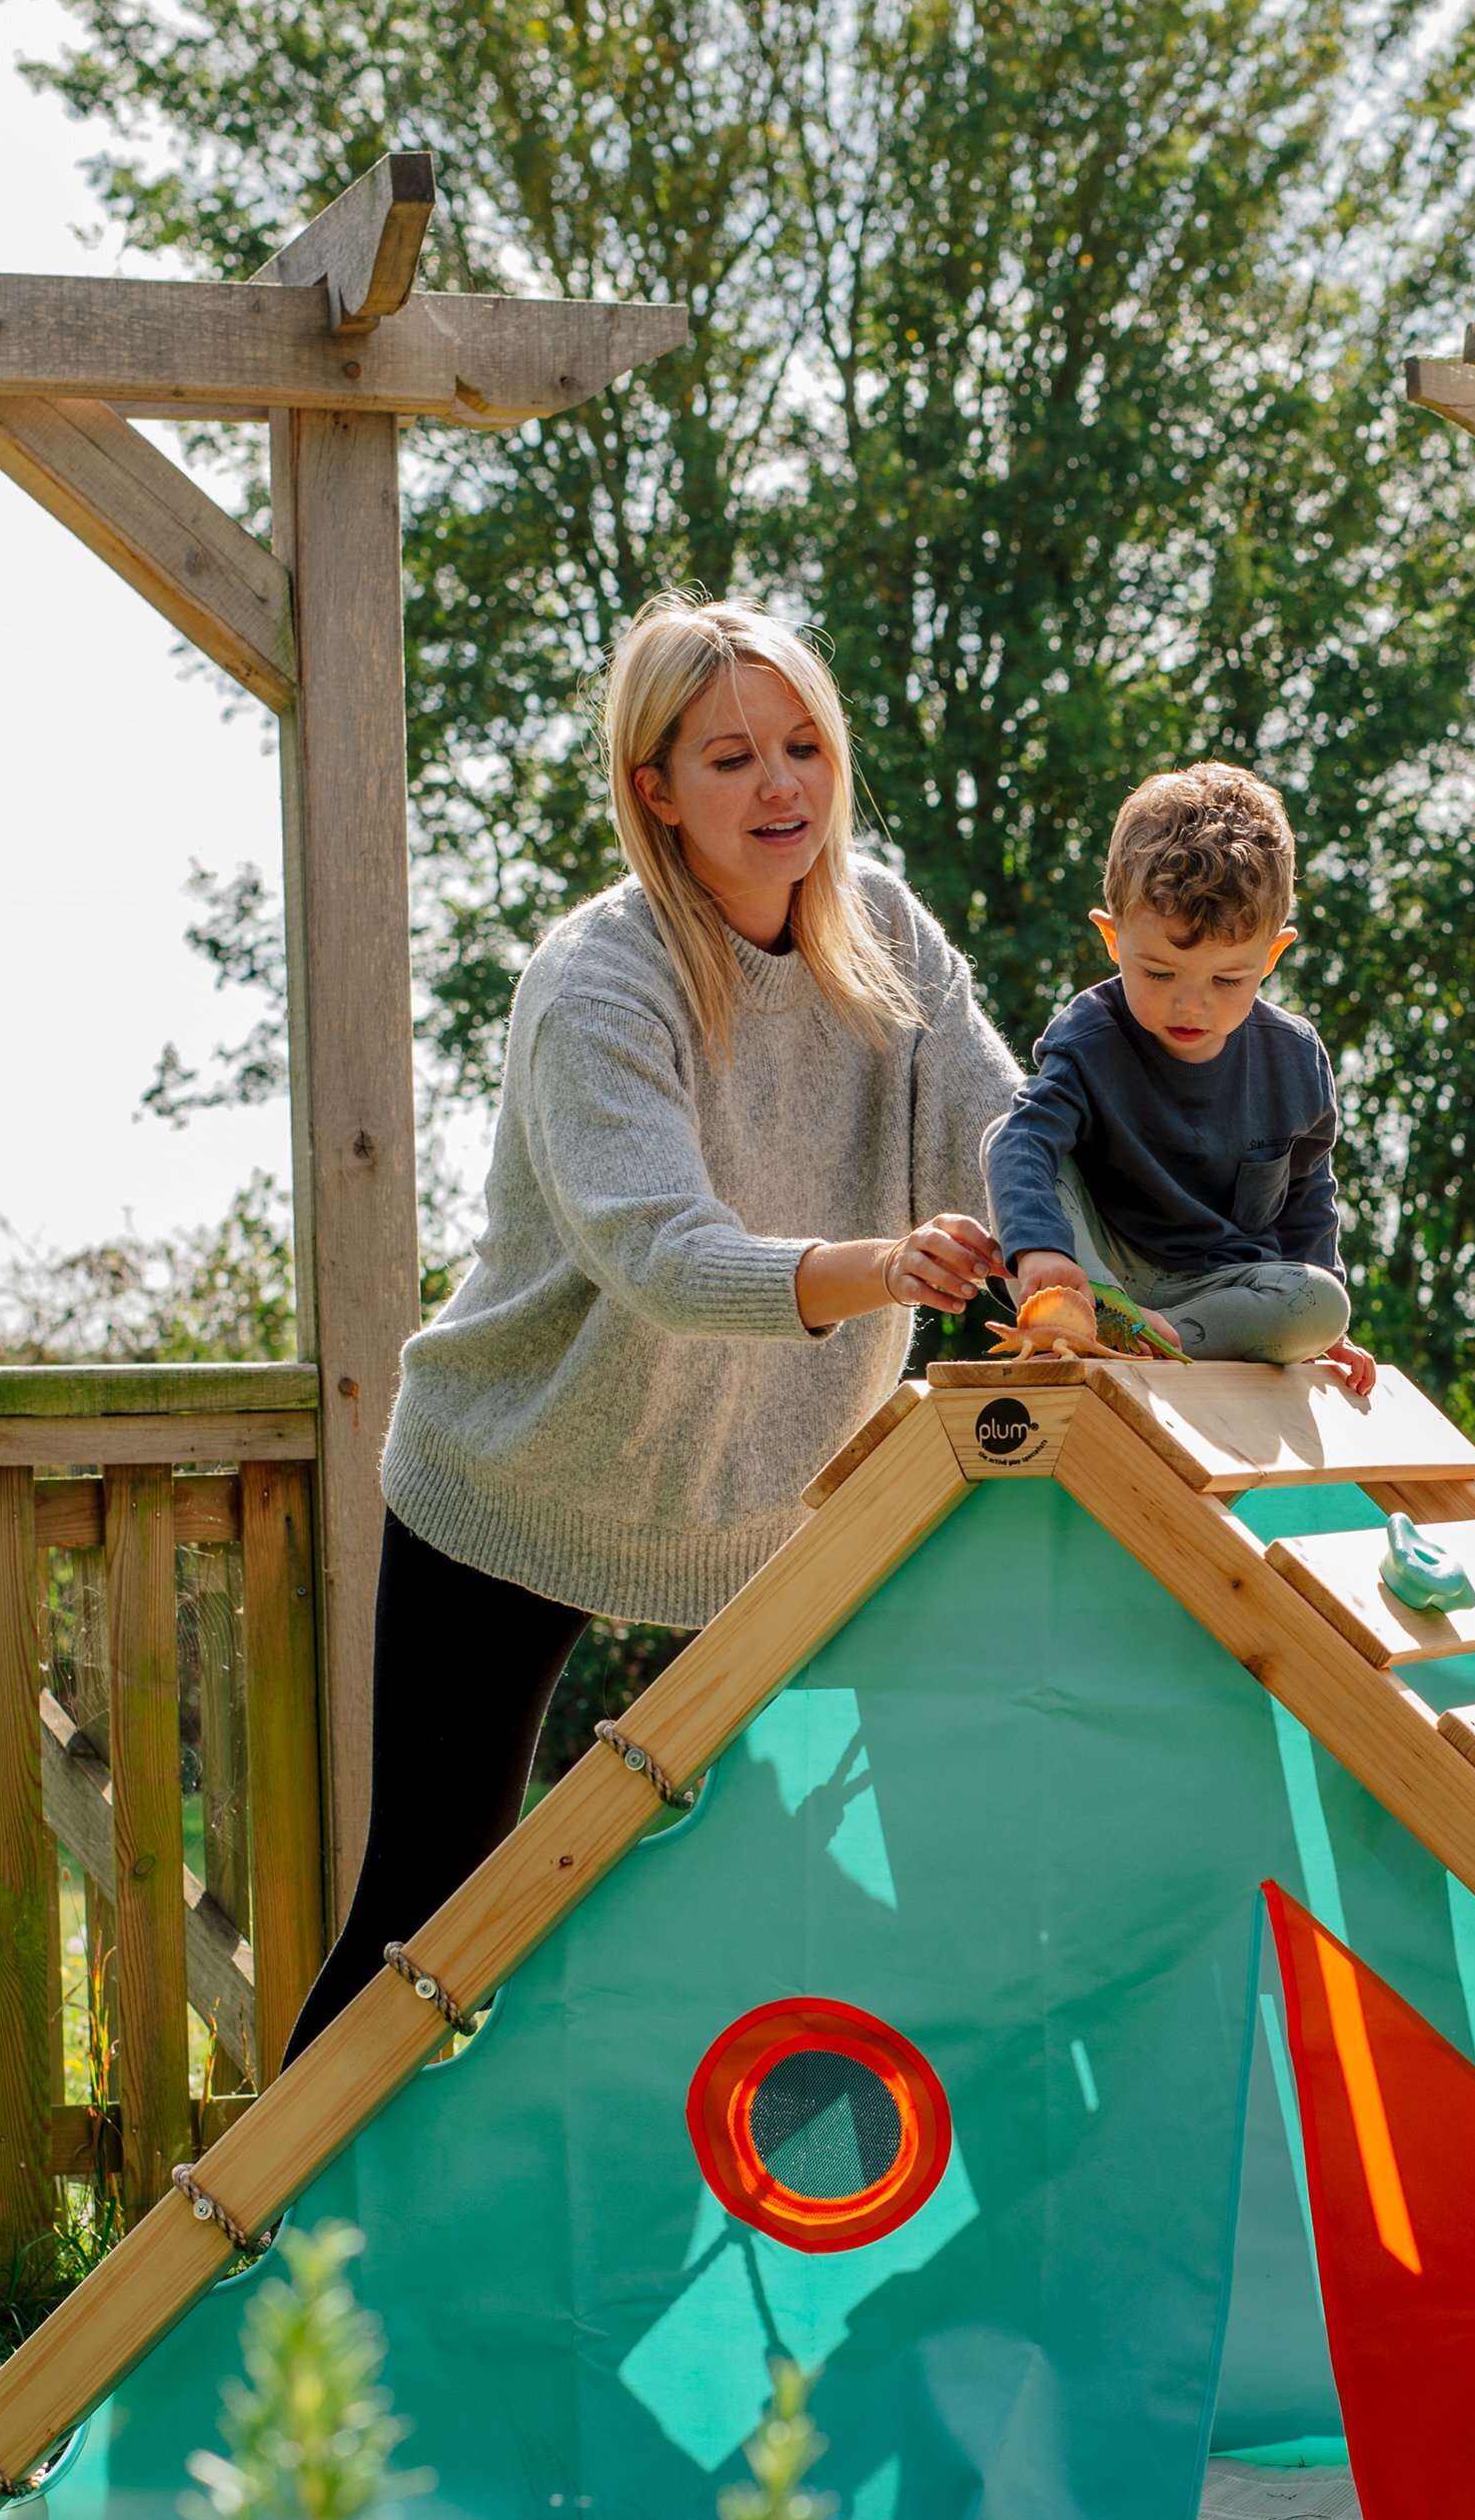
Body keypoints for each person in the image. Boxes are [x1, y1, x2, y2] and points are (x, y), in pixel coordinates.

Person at [288, 595, 1011, 2054]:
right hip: (521, 1477)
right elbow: (663, 1256)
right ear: (656, 791)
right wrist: (887, 1267)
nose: (782, 786)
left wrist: (1160, 1275)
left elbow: (1007, 1139)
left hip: (770, 1507)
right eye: (733, 758)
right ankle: (270, 2273)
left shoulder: (884, 935)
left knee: (798, 1910)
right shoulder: (598, 983)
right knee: (424, 1917)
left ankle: (786, 2267)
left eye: (804, 747)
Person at [986, 763, 1375, 1392]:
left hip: (1220, 1291)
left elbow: (1307, 1199)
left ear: (1272, 957)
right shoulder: (1090, 1035)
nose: (1190, 1005)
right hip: (1099, 1271)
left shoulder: (1295, 1059)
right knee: (1011, 1135)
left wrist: (1328, 1336)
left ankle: (1158, 1338)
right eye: (1159, 974)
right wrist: (1044, 1254)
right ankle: (1093, 1317)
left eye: (1226, 980)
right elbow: (1026, 1147)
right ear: (1113, 940)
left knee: (1324, 1302)